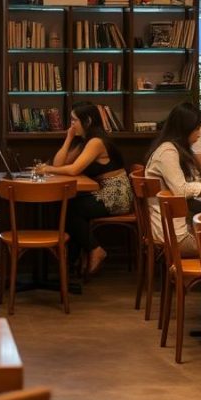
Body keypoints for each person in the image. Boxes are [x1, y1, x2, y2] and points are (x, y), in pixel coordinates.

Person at [43, 101, 134, 275]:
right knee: (68, 205)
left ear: (88, 121)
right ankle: (75, 262)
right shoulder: (84, 142)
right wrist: (68, 138)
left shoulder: (96, 142)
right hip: (103, 192)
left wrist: (46, 169)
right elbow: (59, 163)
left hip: (116, 196)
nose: (71, 124)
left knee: (71, 208)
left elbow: (73, 169)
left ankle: (94, 250)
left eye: (74, 120)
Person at [144, 102, 201, 257]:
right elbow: (181, 190)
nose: (199, 134)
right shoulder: (168, 152)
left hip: (173, 229)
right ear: (184, 129)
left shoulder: (173, 149)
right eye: (196, 129)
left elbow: (188, 182)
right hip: (175, 236)